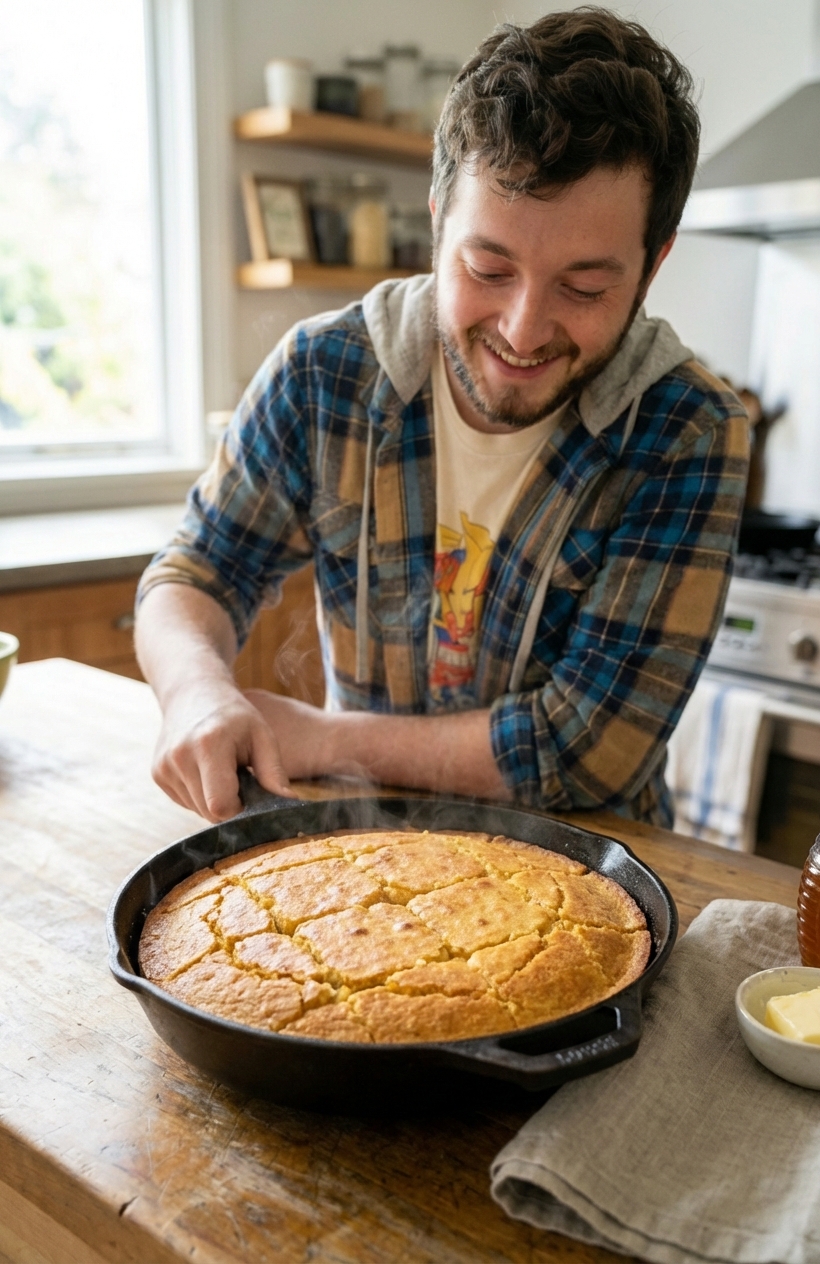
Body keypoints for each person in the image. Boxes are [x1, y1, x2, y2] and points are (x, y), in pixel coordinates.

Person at [135, 7, 749, 824]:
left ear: (653, 263)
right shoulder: (324, 374)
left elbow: (585, 752)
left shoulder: (688, 429)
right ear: (436, 216)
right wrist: (198, 692)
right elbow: (196, 574)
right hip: (359, 856)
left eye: (585, 288)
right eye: (488, 266)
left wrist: (323, 738)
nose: (523, 330)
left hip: (591, 876)